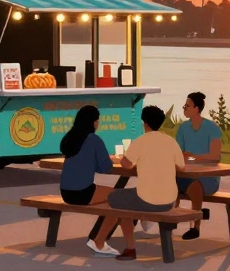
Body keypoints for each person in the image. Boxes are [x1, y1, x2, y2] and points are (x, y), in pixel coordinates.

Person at [90, 105, 184, 261]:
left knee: (115, 199)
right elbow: (181, 166)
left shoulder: (141, 141)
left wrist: (123, 159)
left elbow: (126, 164)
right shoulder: (171, 142)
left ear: (145, 123)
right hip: (169, 201)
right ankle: (100, 241)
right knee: (125, 199)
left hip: (148, 199)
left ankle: (123, 247)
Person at [174, 91, 222, 240]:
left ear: (196, 109)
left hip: (208, 178)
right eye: (184, 105)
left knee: (195, 186)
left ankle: (195, 226)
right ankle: (170, 219)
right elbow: (178, 153)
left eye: (187, 106)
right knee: (170, 183)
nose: (184, 108)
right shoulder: (183, 128)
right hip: (186, 174)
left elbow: (215, 157)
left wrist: (194, 158)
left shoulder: (212, 128)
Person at [59, 105, 114, 206]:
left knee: (108, 204)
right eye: (97, 121)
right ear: (94, 122)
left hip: (65, 193)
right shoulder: (94, 139)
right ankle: (126, 221)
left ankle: (110, 222)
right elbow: (105, 168)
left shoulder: (70, 138)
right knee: (117, 196)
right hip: (83, 193)